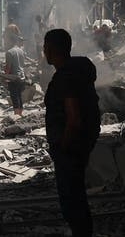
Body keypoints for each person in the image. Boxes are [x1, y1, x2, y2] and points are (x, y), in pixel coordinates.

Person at [43, 29, 101, 237]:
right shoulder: (78, 71)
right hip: (82, 143)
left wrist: (63, 146)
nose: (43, 51)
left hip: (70, 147)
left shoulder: (65, 77)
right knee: (76, 194)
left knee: (71, 198)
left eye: (45, 46)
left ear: (50, 49)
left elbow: (73, 117)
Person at [5, 37, 26, 116]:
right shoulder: (21, 51)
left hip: (13, 78)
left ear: (11, 42)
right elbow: (22, 65)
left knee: (14, 97)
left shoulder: (9, 52)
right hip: (22, 77)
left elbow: (8, 67)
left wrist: (5, 78)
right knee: (19, 96)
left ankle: (16, 115)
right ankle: (20, 114)